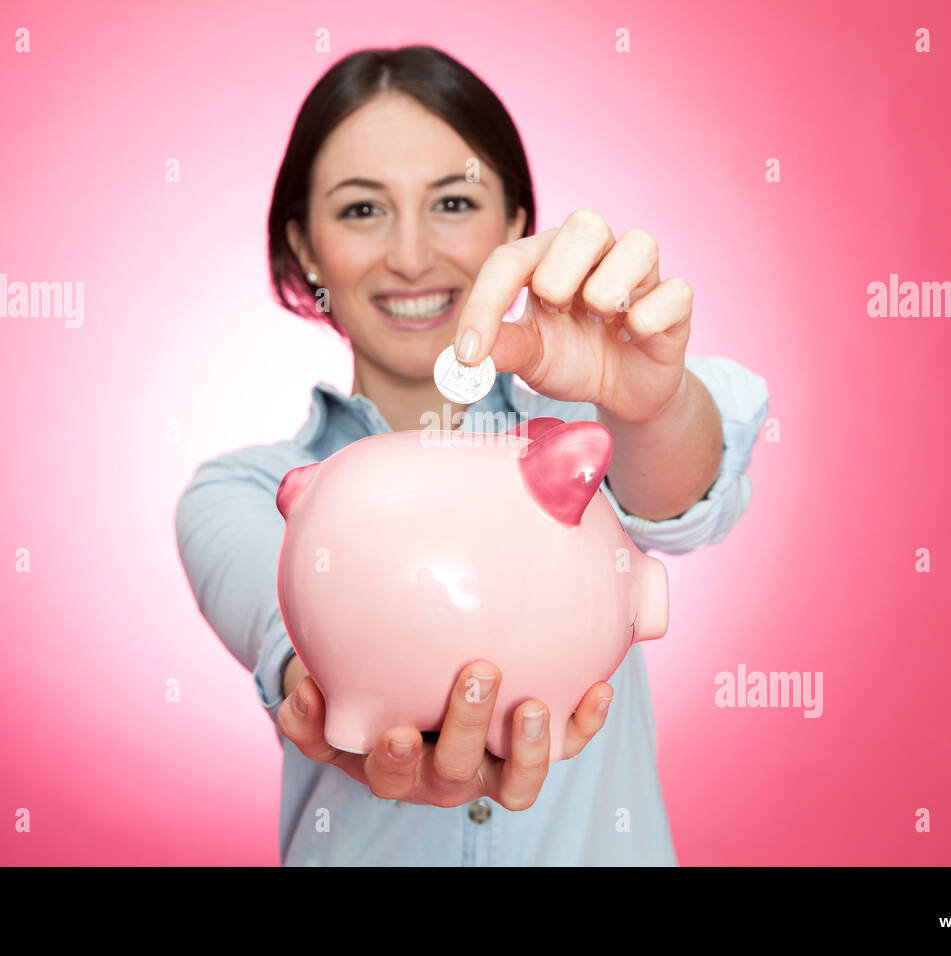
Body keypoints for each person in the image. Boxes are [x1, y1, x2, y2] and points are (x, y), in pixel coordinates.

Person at [174, 45, 769, 865]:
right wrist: (341, 707)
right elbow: (296, 643)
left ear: (517, 227)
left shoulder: (586, 431)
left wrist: (649, 401)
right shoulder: (242, 492)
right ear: (304, 247)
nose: (412, 256)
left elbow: (681, 490)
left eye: (453, 201)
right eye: (360, 211)